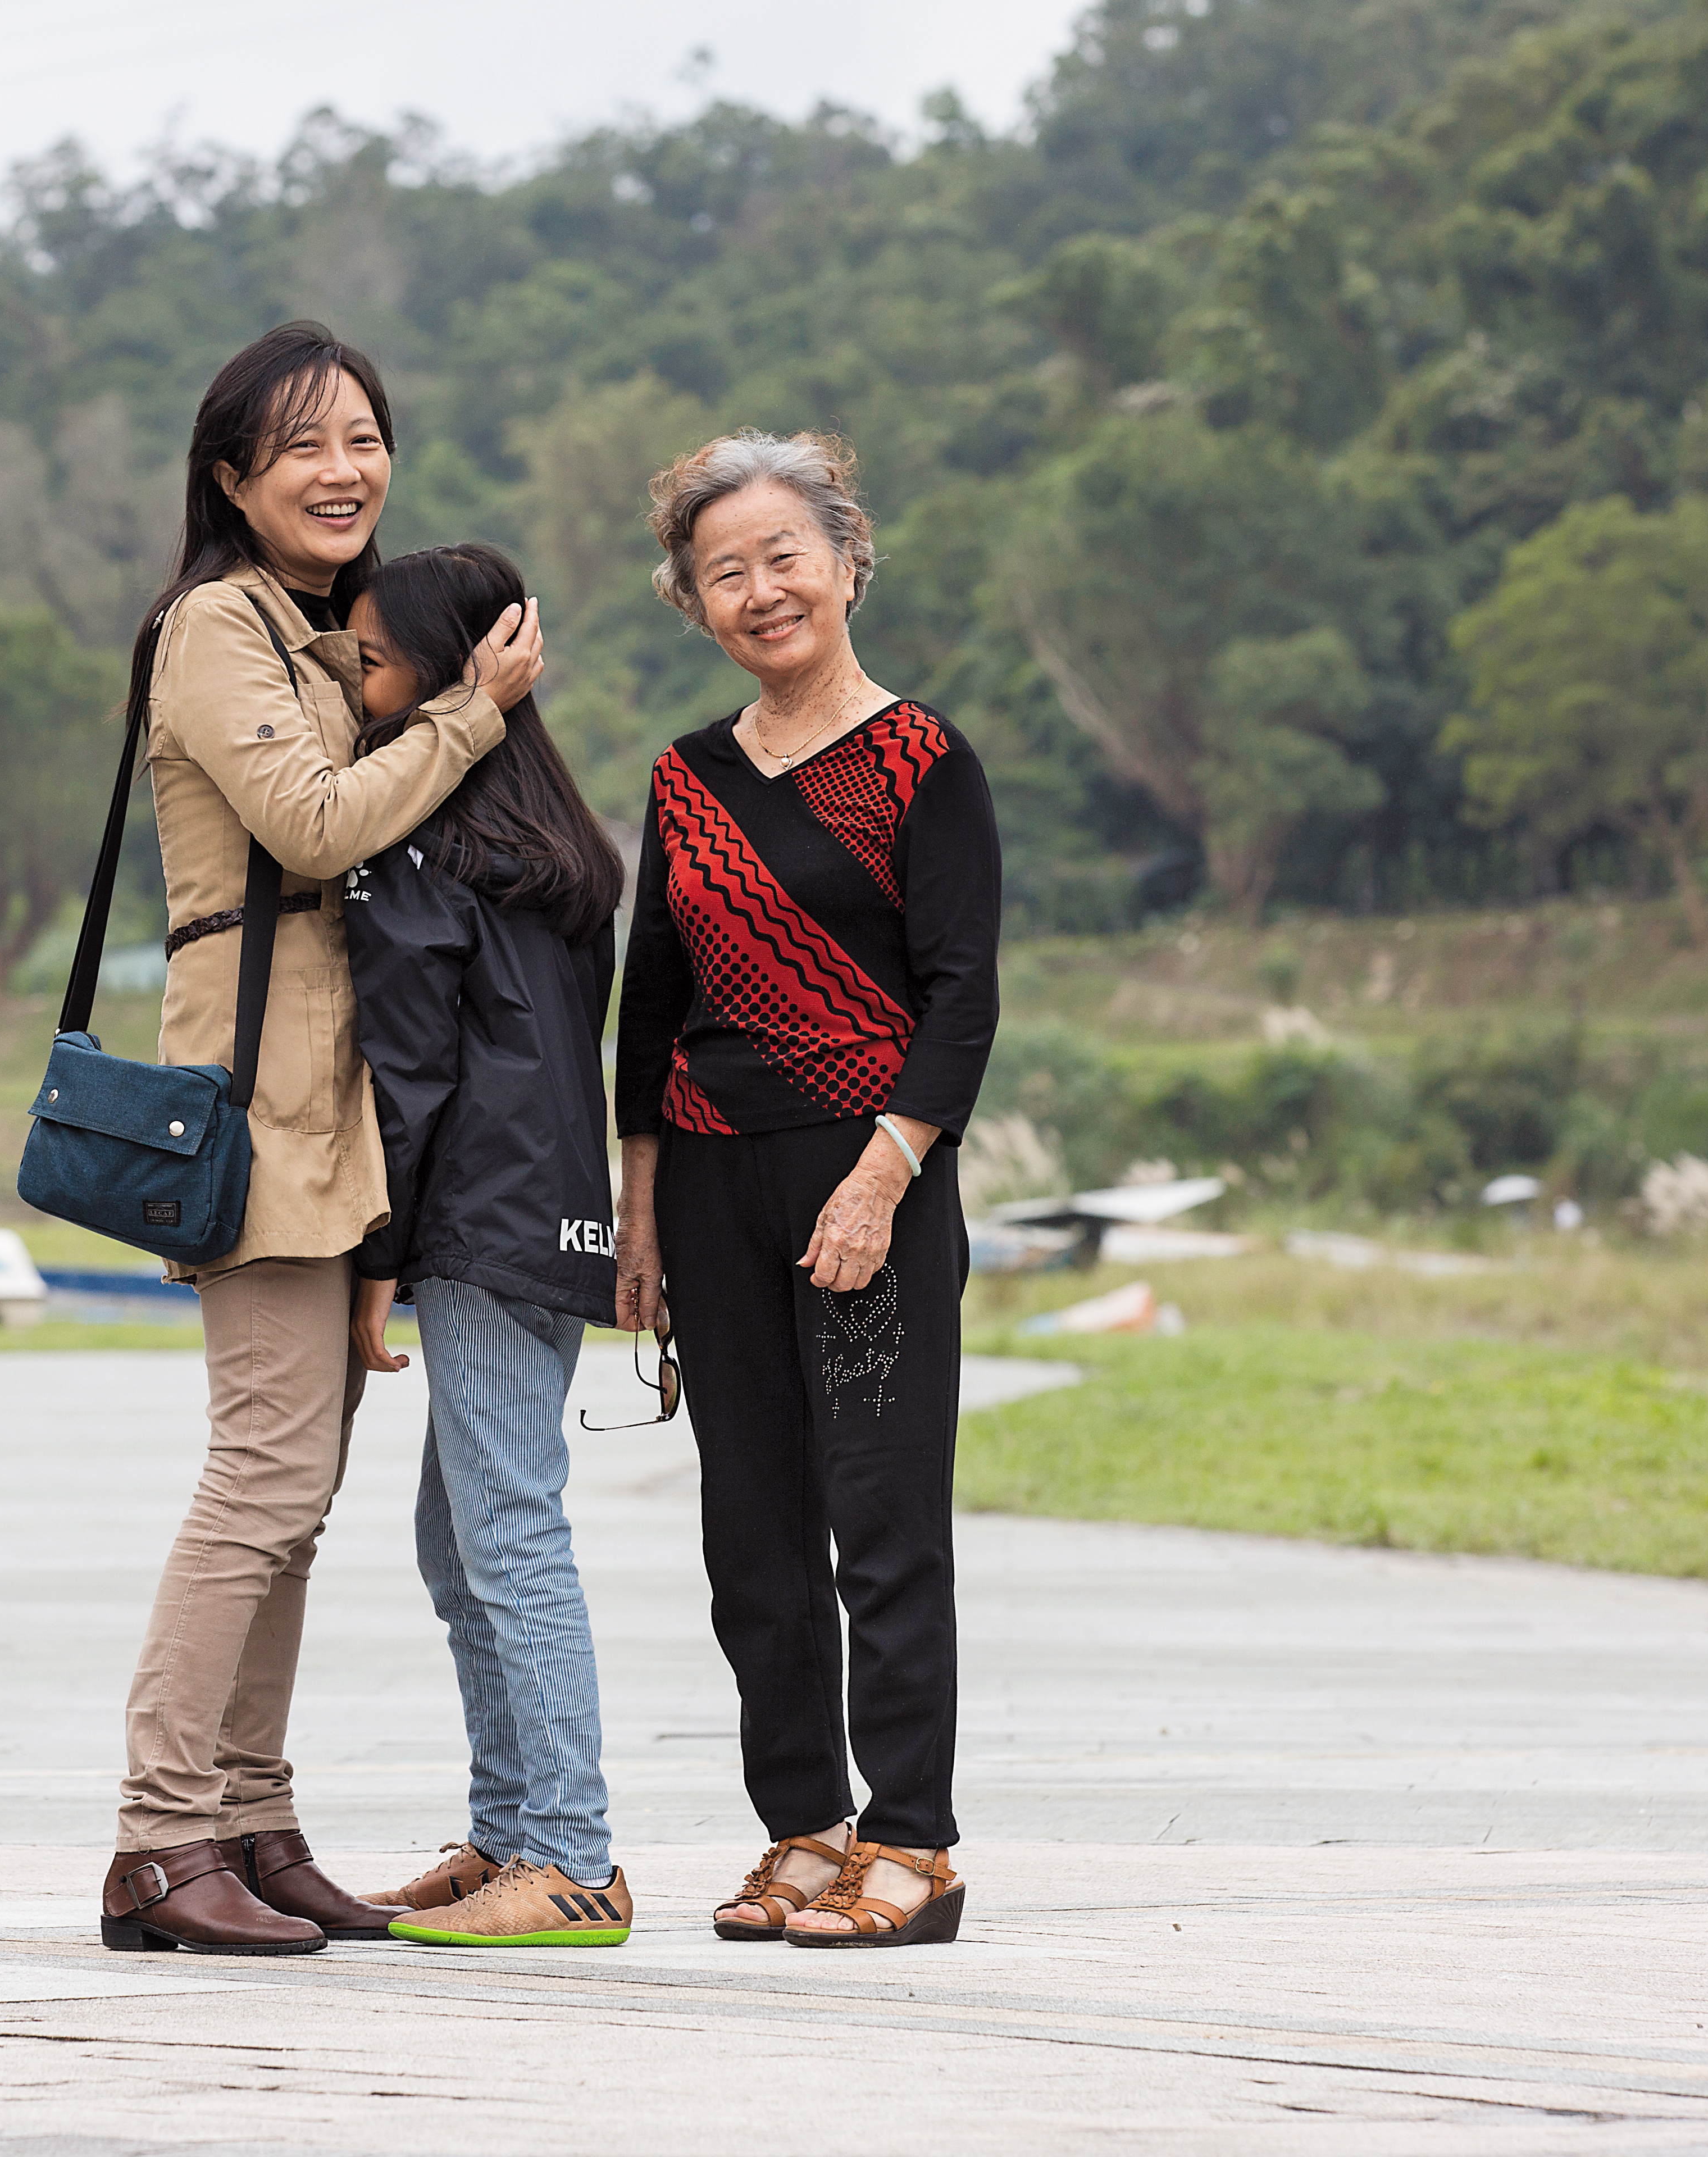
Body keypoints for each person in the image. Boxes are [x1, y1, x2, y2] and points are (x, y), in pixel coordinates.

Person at [98, 321, 543, 1958]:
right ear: (233, 476)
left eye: (365, 436)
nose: (346, 468)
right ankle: (159, 1835)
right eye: (304, 445)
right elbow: (310, 822)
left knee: (304, 1484)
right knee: (263, 1473)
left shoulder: (309, 628)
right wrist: (471, 713)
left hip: (336, 1097)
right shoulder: (216, 624)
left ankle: (249, 1812)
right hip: (256, 1086)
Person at [609, 430, 1000, 1948]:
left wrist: (884, 1178)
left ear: (845, 561)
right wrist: (640, 1205)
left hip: (874, 1176)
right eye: (726, 572)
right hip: (710, 1177)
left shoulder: (924, 759)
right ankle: (800, 1829)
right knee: (751, 1524)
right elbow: (649, 1002)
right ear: (695, 602)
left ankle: (914, 1841)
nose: (761, 590)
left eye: (785, 557)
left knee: (881, 1509)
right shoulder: (686, 775)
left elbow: (960, 1000)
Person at [333, 543, 634, 1947]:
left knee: (506, 1531)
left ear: (455, 677)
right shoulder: (555, 852)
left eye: (375, 661)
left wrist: (371, 1256)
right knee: (460, 1541)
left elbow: (408, 1068)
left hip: (475, 1219)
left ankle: (569, 1855)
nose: (355, 681)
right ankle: (508, 1831)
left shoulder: (418, 849)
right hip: (548, 1213)